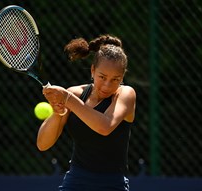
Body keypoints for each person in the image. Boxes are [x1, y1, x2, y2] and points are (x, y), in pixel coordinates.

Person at [37, 34, 136, 191]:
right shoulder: (75, 94)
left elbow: (105, 126)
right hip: (76, 180)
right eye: (102, 77)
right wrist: (57, 113)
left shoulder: (126, 94)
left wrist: (68, 99)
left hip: (112, 184)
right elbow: (43, 144)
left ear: (123, 77)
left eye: (115, 79)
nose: (107, 85)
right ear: (92, 71)